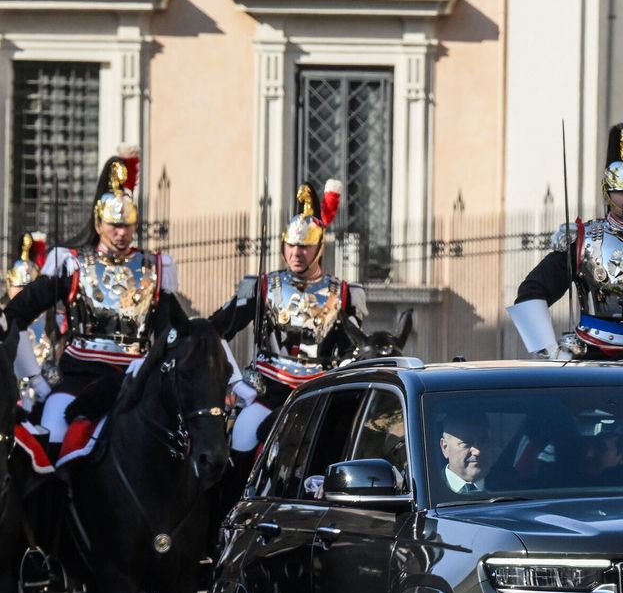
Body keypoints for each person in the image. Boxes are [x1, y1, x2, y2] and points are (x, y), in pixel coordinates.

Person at [5, 154, 178, 454]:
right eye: (114, 225)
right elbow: (13, 316)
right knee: (54, 431)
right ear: (99, 223)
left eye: (127, 225)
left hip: (136, 379)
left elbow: (170, 332)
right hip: (81, 378)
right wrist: (33, 376)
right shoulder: (72, 265)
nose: (121, 233)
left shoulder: (154, 268)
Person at [510, 116, 623, 361]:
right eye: (622, 190)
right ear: (607, 193)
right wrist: (550, 349)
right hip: (590, 353)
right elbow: (532, 290)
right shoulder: (582, 240)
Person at [212, 180, 365, 457]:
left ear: (319, 247)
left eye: (305, 246)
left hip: (320, 394)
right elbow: (217, 330)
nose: (296, 253)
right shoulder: (262, 287)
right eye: (291, 245)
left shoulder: (343, 294)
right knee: (241, 440)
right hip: (268, 392)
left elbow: (353, 351)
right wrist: (234, 381)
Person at [5, 232, 59, 417]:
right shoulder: (4, 318)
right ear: (9, 284)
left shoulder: (54, 318)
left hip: (47, 391)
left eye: (28, 288)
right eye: (19, 287)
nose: (23, 293)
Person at [438, 415, 492, 495]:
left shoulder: (511, 485)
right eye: (466, 443)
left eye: (483, 442)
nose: (477, 452)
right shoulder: (429, 490)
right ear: (445, 447)